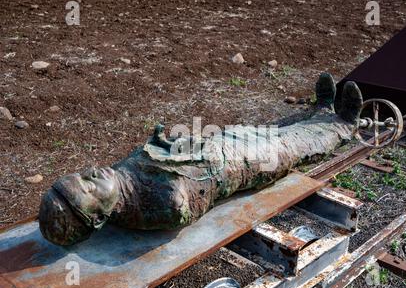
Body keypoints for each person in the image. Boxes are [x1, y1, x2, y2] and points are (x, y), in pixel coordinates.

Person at [39, 73, 363, 246]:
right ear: (97, 218)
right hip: (237, 163)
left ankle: (320, 110)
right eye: (88, 185)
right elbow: (189, 194)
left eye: (81, 174)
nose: (92, 172)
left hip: (216, 143)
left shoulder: (116, 181)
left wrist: (162, 142)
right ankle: (345, 123)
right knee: (288, 145)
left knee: (266, 130)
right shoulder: (162, 204)